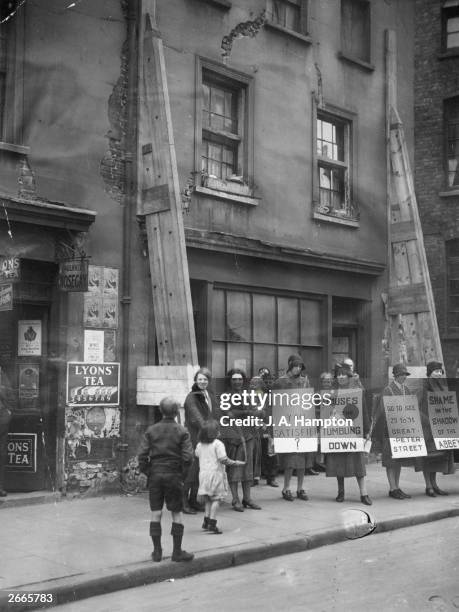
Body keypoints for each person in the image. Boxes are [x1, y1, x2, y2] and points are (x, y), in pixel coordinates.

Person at [137, 397, 194, 563]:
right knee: (176, 513)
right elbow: (188, 457)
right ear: (177, 412)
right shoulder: (182, 431)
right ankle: (177, 552)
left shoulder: (151, 430)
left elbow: (142, 455)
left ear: (160, 411)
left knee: (156, 513)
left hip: (155, 474)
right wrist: (182, 475)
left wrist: (149, 471)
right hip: (174, 475)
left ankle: (157, 552)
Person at [325, 363, 372, 505]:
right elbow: (326, 411)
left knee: (358, 464)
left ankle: (364, 494)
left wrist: (366, 431)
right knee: (339, 462)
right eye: (338, 374)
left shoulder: (357, 391)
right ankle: (341, 492)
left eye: (343, 374)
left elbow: (363, 411)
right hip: (337, 432)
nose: (340, 377)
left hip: (353, 432)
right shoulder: (332, 393)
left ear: (349, 376)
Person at [218, 368, 261, 511]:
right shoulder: (225, 396)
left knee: (248, 467)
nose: (237, 382)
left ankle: (247, 498)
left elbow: (256, 411)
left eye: (240, 379)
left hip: (248, 435)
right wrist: (247, 412)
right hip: (232, 436)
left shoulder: (248, 394)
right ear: (230, 381)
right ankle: (235, 499)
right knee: (235, 467)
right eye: (234, 379)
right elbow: (228, 413)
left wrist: (252, 412)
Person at [372, 363, 414, 500]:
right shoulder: (388, 390)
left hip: (403, 430)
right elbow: (381, 411)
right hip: (389, 431)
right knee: (390, 460)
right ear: (395, 376)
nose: (403, 377)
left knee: (399, 460)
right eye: (401, 374)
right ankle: (392, 488)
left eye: (405, 375)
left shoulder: (406, 390)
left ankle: (397, 486)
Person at [273, 355, 311, 501]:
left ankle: (300, 488)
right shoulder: (280, 382)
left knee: (302, 460)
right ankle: (286, 488)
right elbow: (274, 405)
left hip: (302, 423)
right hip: (287, 424)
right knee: (289, 460)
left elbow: (308, 402)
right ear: (290, 366)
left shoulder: (304, 381)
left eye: (300, 366)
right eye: (296, 366)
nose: (298, 369)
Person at [195, 420, 245, 534]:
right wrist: (237, 463)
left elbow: (197, 454)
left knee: (208, 498)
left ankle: (206, 521)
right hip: (216, 474)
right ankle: (212, 523)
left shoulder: (199, 444)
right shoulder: (218, 444)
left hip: (203, 474)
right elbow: (224, 459)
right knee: (216, 499)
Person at [415, 361, 455, 496]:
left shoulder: (442, 387)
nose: (438, 373)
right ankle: (428, 486)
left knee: (438, 458)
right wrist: (427, 420)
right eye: (435, 371)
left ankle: (435, 484)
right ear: (429, 372)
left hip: (440, 428)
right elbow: (415, 407)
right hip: (427, 428)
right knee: (428, 457)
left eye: (440, 371)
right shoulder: (423, 387)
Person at [183, 367, 216, 514]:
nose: (202, 381)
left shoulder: (207, 395)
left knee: (199, 471)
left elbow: (214, 414)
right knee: (190, 472)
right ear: (196, 380)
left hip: (204, 438)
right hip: (194, 439)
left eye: (205, 379)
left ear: (209, 381)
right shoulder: (191, 397)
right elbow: (198, 419)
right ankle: (183, 502)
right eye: (200, 379)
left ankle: (193, 501)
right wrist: (211, 431)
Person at [258, 368, 279, 487]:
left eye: (271, 381)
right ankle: (258, 476)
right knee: (261, 452)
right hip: (261, 427)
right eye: (266, 382)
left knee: (272, 453)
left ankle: (271, 477)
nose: (269, 384)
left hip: (273, 427)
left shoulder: (277, 396)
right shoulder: (259, 395)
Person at [0, 371, 14, 497]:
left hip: (1, 419)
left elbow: (9, 394)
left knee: (1, 454)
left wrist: (8, 412)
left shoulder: (1, 374)